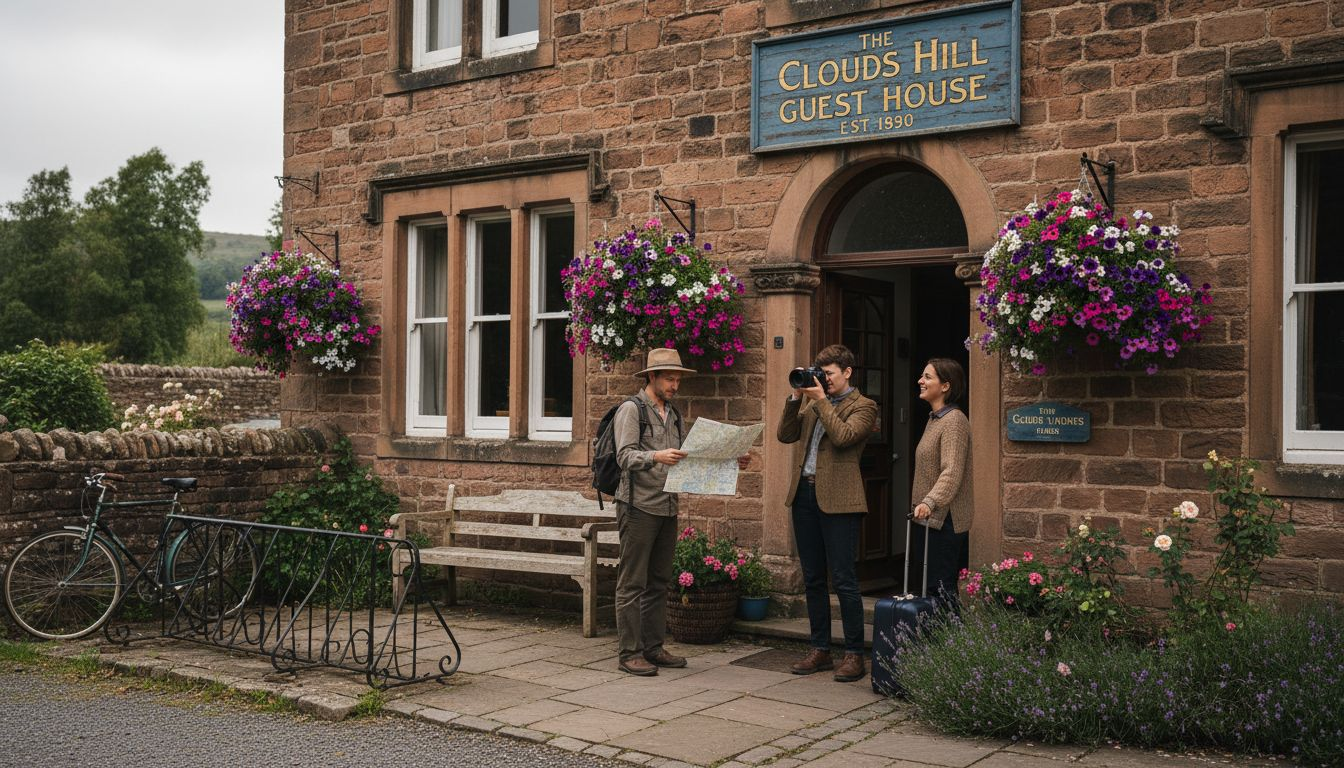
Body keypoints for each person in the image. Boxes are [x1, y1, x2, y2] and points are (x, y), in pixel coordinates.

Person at [612, 348, 749, 676]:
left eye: (677, 379)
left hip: (667, 504)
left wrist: (731, 460)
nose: (675, 384)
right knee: (632, 583)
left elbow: (691, 455)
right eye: (669, 378)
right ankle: (629, 653)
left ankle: (653, 648)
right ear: (651, 377)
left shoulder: (673, 413)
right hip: (637, 506)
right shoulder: (631, 410)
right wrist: (656, 456)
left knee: (659, 582)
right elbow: (625, 456)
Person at [777, 344, 878, 683]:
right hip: (804, 496)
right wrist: (795, 398)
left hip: (839, 501)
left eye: (829, 374)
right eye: (820, 373)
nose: (824, 380)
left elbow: (843, 437)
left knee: (845, 580)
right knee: (813, 578)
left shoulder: (864, 406)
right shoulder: (809, 401)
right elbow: (785, 435)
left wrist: (820, 400)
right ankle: (819, 649)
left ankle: (853, 654)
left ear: (847, 372)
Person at [910, 357, 972, 609]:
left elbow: (952, 471)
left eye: (927, 377)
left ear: (945, 386)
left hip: (946, 519)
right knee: (930, 589)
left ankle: (952, 645)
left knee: (942, 591)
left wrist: (930, 501)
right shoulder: (935, 418)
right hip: (928, 518)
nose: (920, 381)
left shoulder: (954, 420)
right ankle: (932, 645)